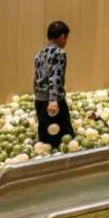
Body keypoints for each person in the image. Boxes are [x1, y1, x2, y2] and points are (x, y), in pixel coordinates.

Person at [33, 20, 74, 149]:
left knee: (45, 138)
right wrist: (53, 100)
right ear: (62, 37)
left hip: (39, 101)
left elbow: (36, 78)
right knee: (65, 137)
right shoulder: (59, 53)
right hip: (53, 102)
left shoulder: (39, 54)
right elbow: (55, 76)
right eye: (66, 38)